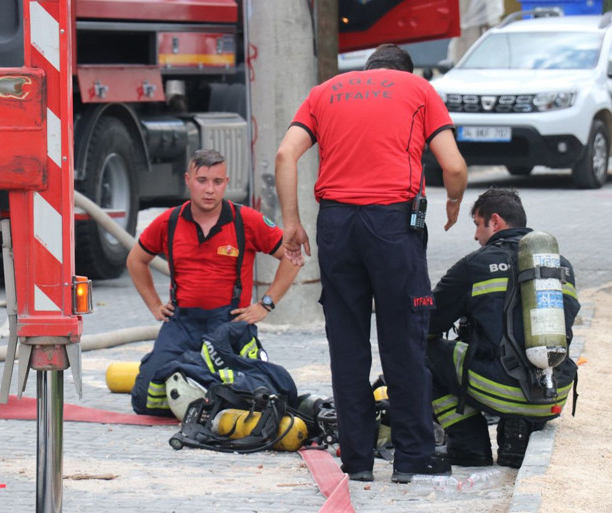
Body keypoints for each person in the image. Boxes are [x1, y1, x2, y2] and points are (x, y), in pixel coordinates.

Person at [274, 43, 468, 483]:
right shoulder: (418, 89)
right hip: (393, 226)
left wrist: (291, 222)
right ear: (406, 70)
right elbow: (453, 167)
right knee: (404, 340)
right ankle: (411, 457)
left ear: (367, 69)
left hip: (337, 226)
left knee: (347, 347)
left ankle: (357, 462)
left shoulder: (325, 91)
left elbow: (286, 155)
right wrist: (454, 202)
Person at [127, 149, 300, 417]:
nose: (210, 190)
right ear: (188, 180)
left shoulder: (246, 221)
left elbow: (291, 256)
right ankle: (192, 372)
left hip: (229, 326)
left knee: (247, 394)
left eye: (217, 182)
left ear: (226, 183)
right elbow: (135, 260)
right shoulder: (169, 221)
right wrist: (154, 305)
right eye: (202, 180)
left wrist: (266, 304)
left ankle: (193, 374)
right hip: (182, 323)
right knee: (145, 400)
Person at [426, 188, 579, 468]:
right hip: (552, 393)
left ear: (494, 222)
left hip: (499, 389)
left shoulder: (475, 265)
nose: (475, 236)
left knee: (421, 351)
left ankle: (469, 445)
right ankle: (515, 440)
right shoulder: (560, 265)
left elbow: (427, 324)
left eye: (477, 224)